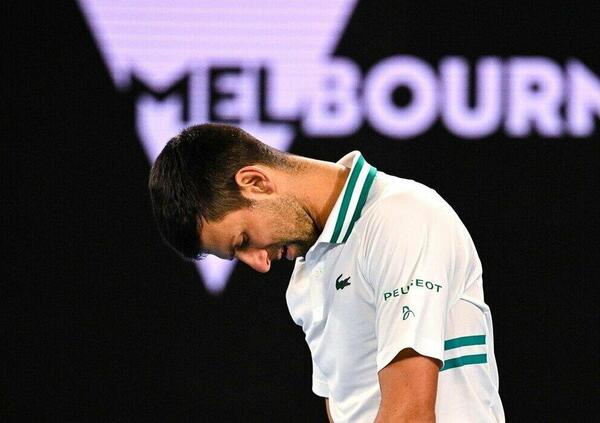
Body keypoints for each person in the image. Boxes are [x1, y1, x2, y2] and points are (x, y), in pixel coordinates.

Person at [148, 123, 505, 422]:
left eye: (244, 240)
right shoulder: (307, 276)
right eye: (237, 256)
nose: (259, 263)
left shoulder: (400, 219)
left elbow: (409, 413)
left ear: (255, 181)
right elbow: (346, 408)